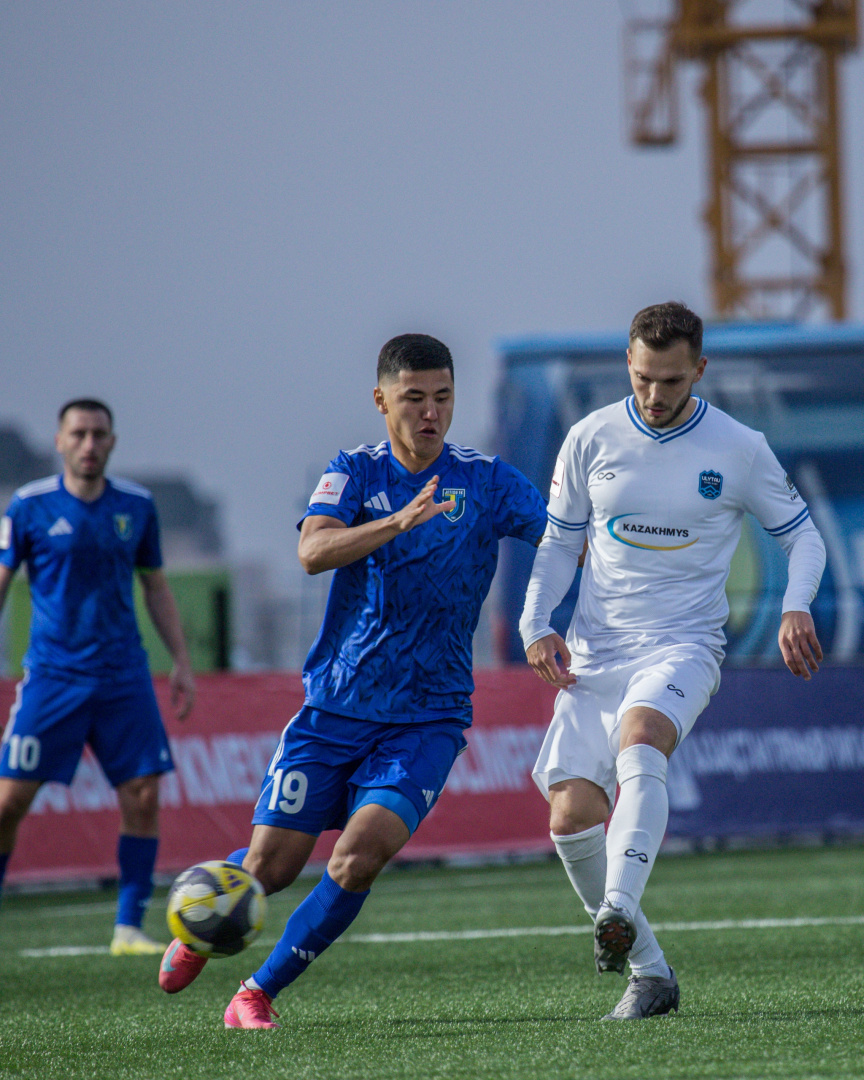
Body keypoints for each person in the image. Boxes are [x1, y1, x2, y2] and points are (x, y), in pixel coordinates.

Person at [158, 333, 547, 1028]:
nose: (431, 412)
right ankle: (202, 920)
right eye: (413, 398)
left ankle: (255, 992)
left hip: (428, 717)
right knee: (271, 867)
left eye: (443, 397)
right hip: (336, 708)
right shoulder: (354, 473)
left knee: (357, 857)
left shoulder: (487, 481)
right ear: (381, 401)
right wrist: (397, 521)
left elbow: (565, 536)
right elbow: (311, 552)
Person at [519, 302, 826, 1020]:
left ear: (700, 370)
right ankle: (650, 974)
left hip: (684, 645)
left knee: (643, 735)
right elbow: (559, 542)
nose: (656, 395)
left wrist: (796, 605)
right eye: (644, 378)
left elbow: (803, 536)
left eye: (672, 381)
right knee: (570, 817)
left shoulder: (739, 447)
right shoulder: (589, 437)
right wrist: (537, 623)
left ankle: (618, 905)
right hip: (596, 652)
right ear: (627, 364)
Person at [0, 399, 195, 954]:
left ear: (112, 442)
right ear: (60, 441)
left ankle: (128, 927)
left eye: (99, 434)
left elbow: (155, 585)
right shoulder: (28, 506)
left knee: (143, 795)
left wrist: (181, 661)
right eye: (79, 434)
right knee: (8, 802)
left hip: (123, 676)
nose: (89, 444)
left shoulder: (136, 505)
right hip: (52, 676)